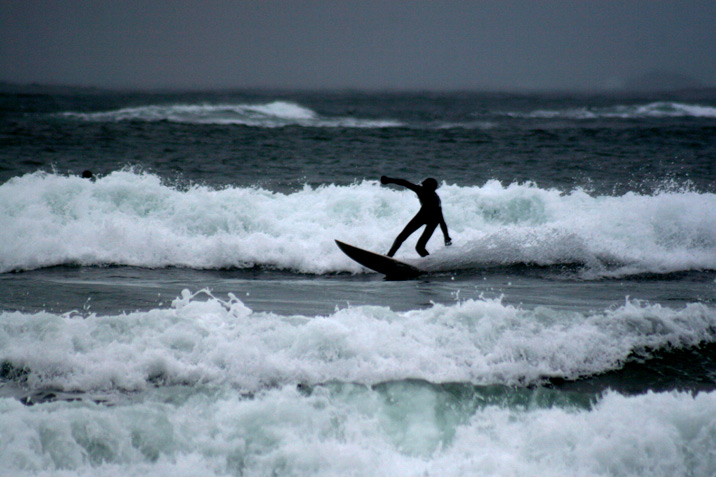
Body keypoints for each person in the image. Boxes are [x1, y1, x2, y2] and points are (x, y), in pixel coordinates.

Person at [380, 176, 452, 257]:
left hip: (431, 220)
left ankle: (429, 263)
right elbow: (404, 182)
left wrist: (446, 236)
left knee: (418, 246)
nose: (423, 187)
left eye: (425, 186)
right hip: (424, 216)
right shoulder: (425, 192)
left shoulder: (431, 197)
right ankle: (389, 256)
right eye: (423, 186)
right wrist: (389, 180)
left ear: (430, 188)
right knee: (403, 239)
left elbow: (441, 220)